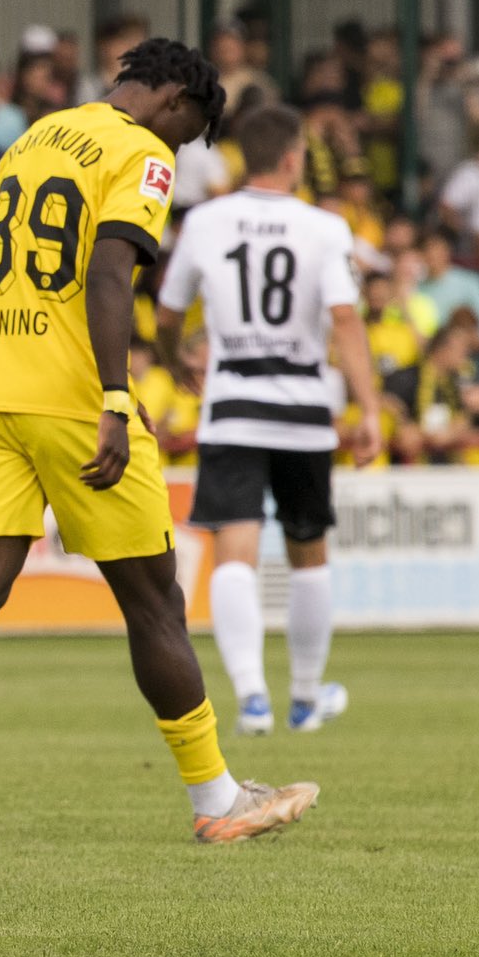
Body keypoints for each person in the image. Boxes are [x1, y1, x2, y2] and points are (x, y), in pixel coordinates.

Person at [0, 38, 319, 850]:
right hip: (75, 400)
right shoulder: (140, 154)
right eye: (186, 134)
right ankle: (219, 797)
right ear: (176, 100)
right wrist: (118, 396)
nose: (177, 151)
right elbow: (110, 271)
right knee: (153, 602)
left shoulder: (36, 136)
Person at [155, 105, 382, 737]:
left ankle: (252, 697)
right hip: (303, 410)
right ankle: (305, 698)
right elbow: (343, 317)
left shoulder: (205, 221)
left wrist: (177, 365)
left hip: (232, 409)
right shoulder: (324, 227)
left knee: (235, 553)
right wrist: (368, 408)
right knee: (309, 551)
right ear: (292, 159)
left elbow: (168, 315)